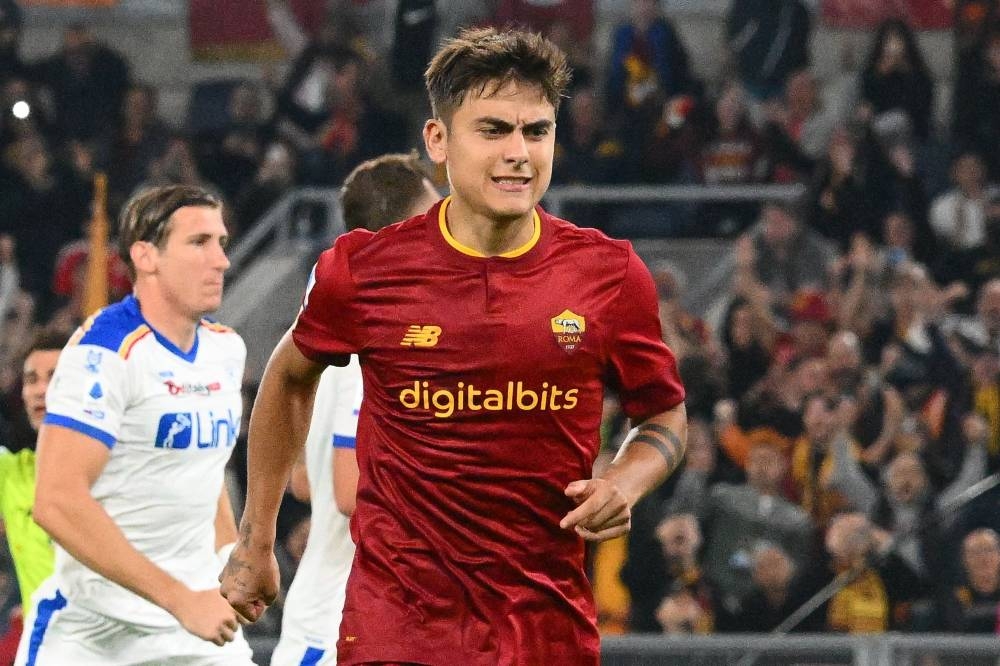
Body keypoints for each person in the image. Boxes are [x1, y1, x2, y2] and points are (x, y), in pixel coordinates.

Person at [222, 27, 688, 665]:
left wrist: (625, 481)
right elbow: (287, 378)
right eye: (493, 130)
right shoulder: (365, 269)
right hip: (399, 628)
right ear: (437, 141)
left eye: (537, 131)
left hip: (544, 630)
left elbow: (663, 412)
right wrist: (256, 539)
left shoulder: (609, 274)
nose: (519, 153)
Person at [17, 185, 254, 665]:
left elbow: (204, 473)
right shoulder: (103, 352)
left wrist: (233, 557)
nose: (221, 261)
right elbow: (56, 502)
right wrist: (179, 599)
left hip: (196, 631)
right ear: (146, 256)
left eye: (221, 243)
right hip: (94, 636)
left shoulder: (226, 349)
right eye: (199, 243)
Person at [270, 154, 441, 666]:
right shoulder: (377, 338)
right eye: (435, 214)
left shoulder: (333, 322)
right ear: (406, 230)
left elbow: (305, 480)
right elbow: (349, 488)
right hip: (342, 630)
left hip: (341, 615)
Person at [0, 329, 68, 614]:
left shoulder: (118, 470)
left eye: (55, 377)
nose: (41, 390)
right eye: (31, 380)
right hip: (42, 638)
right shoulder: (11, 472)